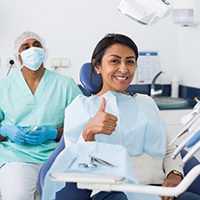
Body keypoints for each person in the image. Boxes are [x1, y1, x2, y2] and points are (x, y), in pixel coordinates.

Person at [42, 33, 200, 200]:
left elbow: (169, 148)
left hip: (161, 191)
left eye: (130, 62)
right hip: (112, 192)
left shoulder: (146, 103)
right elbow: (73, 164)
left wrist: (175, 176)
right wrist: (88, 133)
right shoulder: (81, 107)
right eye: (115, 61)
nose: (124, 69)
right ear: (97, 66)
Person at [0, 31, 82, 200]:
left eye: (37, 45)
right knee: (17, 195)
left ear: (44, 51)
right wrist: (6, 131)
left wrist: (54, 133)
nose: (32, 49)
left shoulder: (66, 85)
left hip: (57, 155)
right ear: (18, 56)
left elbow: (82, 128)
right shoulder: (4, 87)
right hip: (17, 156)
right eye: (26, 46)